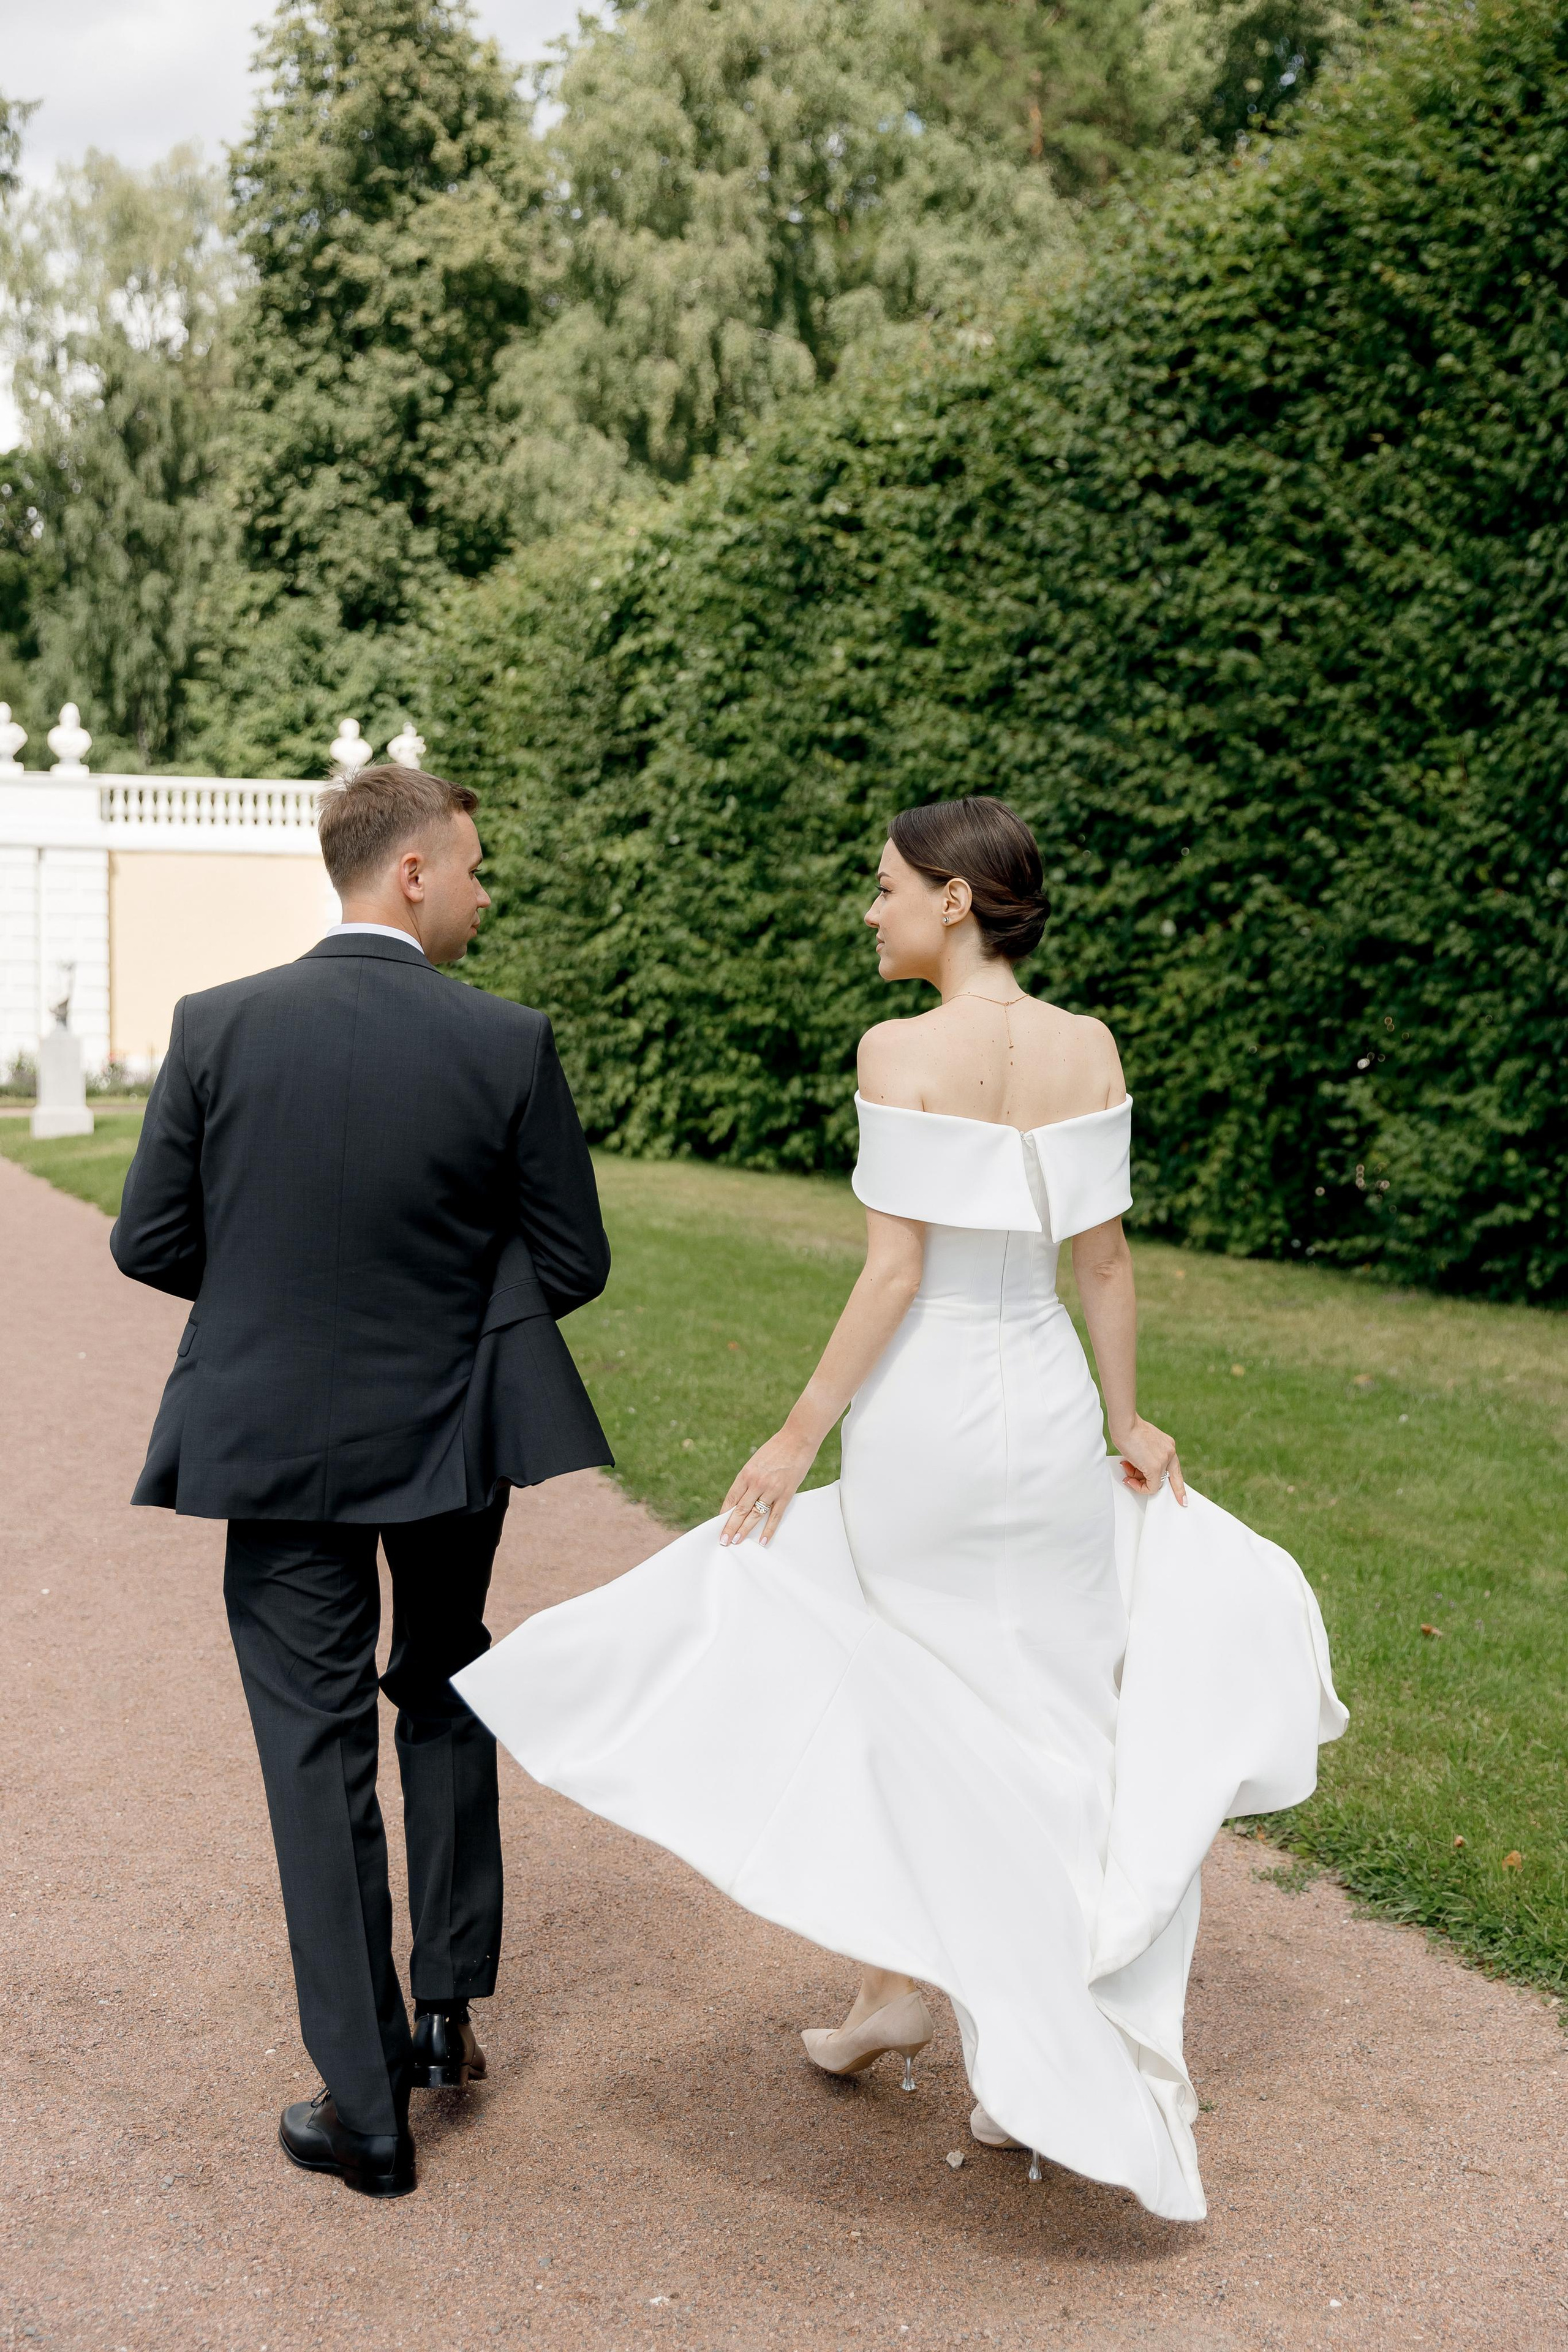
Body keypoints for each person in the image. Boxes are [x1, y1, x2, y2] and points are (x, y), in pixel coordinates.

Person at [457, 794, 1344, 2222]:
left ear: (952, 899)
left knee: (902, 1699)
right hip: (1049, 1414)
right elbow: (1102, 1266)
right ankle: (949, 2026)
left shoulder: (894, 1049)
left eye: (881, 889)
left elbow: (891, 1276)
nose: (867, 912)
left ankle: (928, 2003)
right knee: (1046, 1714)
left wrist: (792, 1434)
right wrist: (1125, 1419)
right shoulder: (1089, 1046)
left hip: (928, 1419)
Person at [111, 764, 611, 2199]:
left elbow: (150, 1239)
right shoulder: (507, 1042)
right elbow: (568, 1262)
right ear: (409, 873)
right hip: (452, 1438)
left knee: (311, 1747)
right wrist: (446, 1307)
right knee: (445, 1681)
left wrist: (278, 1294)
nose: (484, 889)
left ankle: (366, 2106)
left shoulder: (216, 1027)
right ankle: (445, 2008)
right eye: (473, 866)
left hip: (269, 1437)